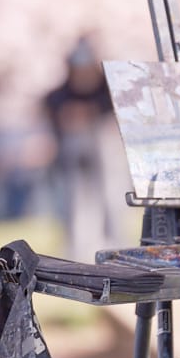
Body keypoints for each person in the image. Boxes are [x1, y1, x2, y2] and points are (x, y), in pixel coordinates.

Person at [43, 38, 121, 258]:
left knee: (110, 201)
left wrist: (89, 114)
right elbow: (54, 109)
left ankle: (114, 247)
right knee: (73, 204)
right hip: (71, 161)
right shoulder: (60, 95)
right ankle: (76, 249)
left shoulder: (106, 91)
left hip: (104, 158)